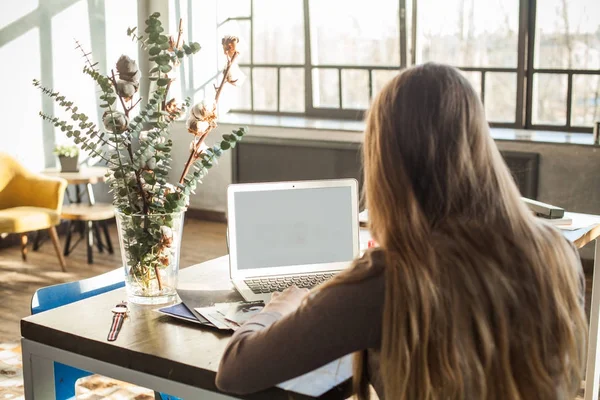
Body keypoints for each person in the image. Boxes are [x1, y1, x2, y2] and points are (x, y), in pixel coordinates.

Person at [215, 63, 587, 399]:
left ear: (387, 163)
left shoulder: (393, 279)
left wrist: (280, 308)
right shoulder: (556, 252)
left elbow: (235, 370)